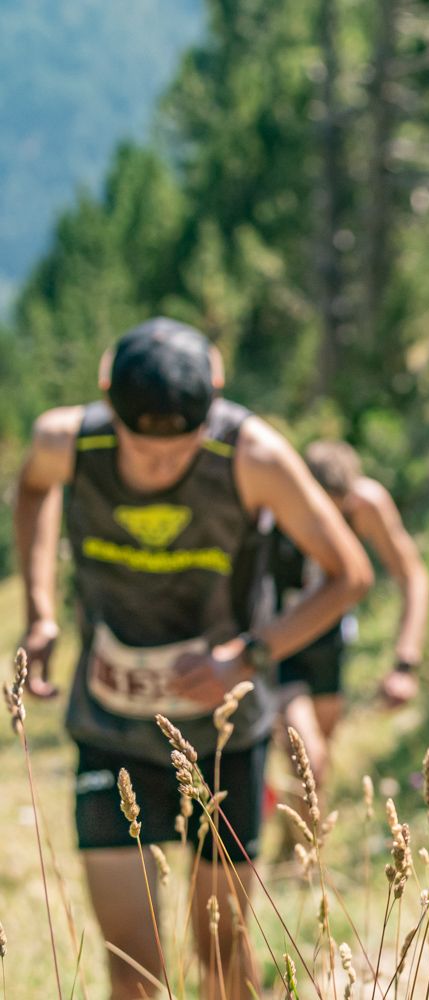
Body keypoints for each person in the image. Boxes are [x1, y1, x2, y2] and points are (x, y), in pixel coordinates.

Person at [14, 318, 372, 1000]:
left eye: (180, 452)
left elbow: (348, 574)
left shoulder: (255, 455)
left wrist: (250, 656)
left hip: (223, 739)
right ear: (104, 398)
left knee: (223, 957)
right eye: (142, 451)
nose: (160, 467)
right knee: (134, 973)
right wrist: (40, 609)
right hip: (110, 728)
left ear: (212, 403)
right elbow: (31, 490)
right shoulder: (67, 440)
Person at [270, 439, 429, 804]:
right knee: (307, 758)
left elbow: (413, 577)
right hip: (281, 639)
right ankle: (297, 850)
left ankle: (293, 852)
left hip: (329, 639)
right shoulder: (277, 498)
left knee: (317, 765)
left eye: (337, 510)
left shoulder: (366, 504)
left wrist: (405, 663)